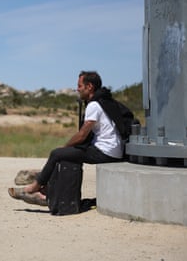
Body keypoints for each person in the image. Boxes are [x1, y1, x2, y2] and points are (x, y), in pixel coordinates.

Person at [8, 71, 123, 205]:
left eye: (80, 86)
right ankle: (46, 191)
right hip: (113, 150)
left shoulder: (94, 105)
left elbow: (82, 134)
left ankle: (34, 188)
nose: (77, 89)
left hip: (105, 152)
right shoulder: (103, 101)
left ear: (89, 86)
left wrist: (64, 147)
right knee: (68, 154)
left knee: (57, 153)